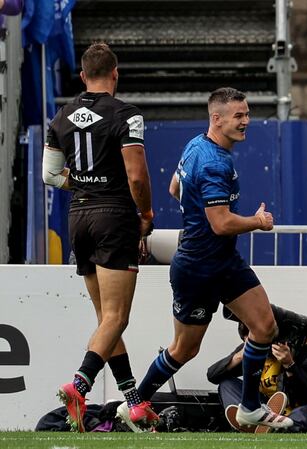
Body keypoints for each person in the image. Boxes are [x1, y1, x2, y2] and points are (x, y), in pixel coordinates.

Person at [121, 87, 293, 432]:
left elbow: (174, 187)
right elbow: (221, 223)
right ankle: (135, 405)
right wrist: (258, 222)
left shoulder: (196, 145)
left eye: (247, 114)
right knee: (184, 350)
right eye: (239, 116)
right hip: (198, 268)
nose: (246, 121)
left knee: (265, 326)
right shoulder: (214, 161)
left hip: (224, 263)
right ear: (217, 118)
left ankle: (249, 408)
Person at [42, 42, 156, 433]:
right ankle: (79, 384)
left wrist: (82, 181)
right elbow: (137, 176)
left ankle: (135, 404)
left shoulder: (60, 117)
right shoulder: (126, 114)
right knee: (117, 317)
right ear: (115, 72)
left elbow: (49, 175)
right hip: (114, 218)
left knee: (107, 322)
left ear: (82, 76)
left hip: (79, 217)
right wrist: (146, 214)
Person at [208, 306, 307, 433]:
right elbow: (213, 375)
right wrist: (241, 355)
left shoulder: (305, 349)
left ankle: (270, 426)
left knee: (300, 416)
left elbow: (305, 397)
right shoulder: (251, 352)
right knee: (227, 384)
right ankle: (252, 420)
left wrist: (289, 364)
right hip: (267, 409)